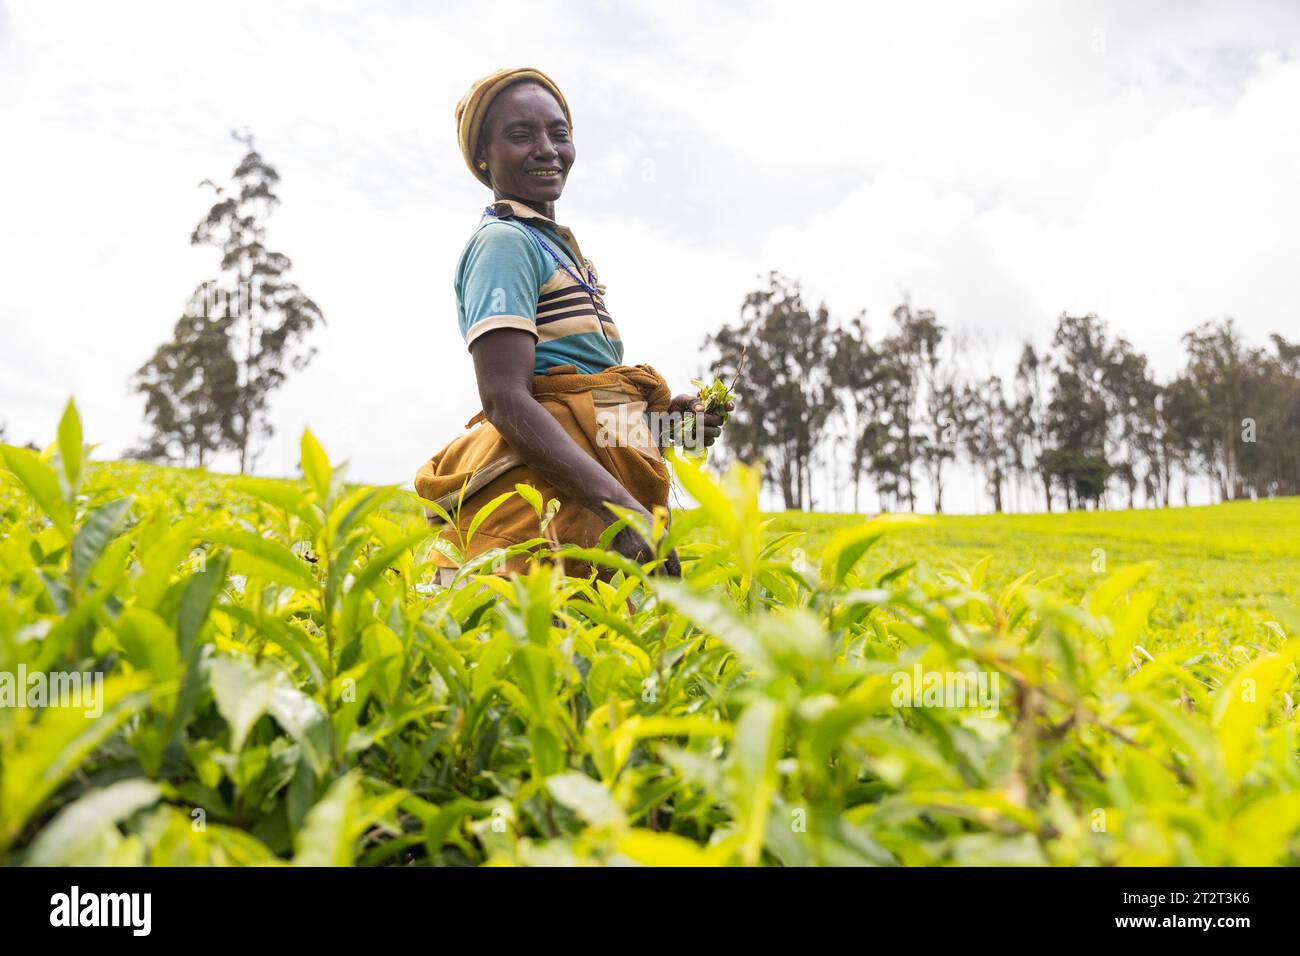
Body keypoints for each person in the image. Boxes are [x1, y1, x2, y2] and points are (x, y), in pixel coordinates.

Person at [415, 67, 729, 579]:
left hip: (577, 503)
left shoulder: (560, 253)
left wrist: (670, 425)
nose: (546, 148)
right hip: (538, 509)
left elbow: (584, 412)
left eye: (559, 134)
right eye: (521, 135)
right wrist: (622, 508)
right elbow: (506, 397)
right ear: (481, 157)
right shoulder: (504, 243)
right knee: (526, 642)